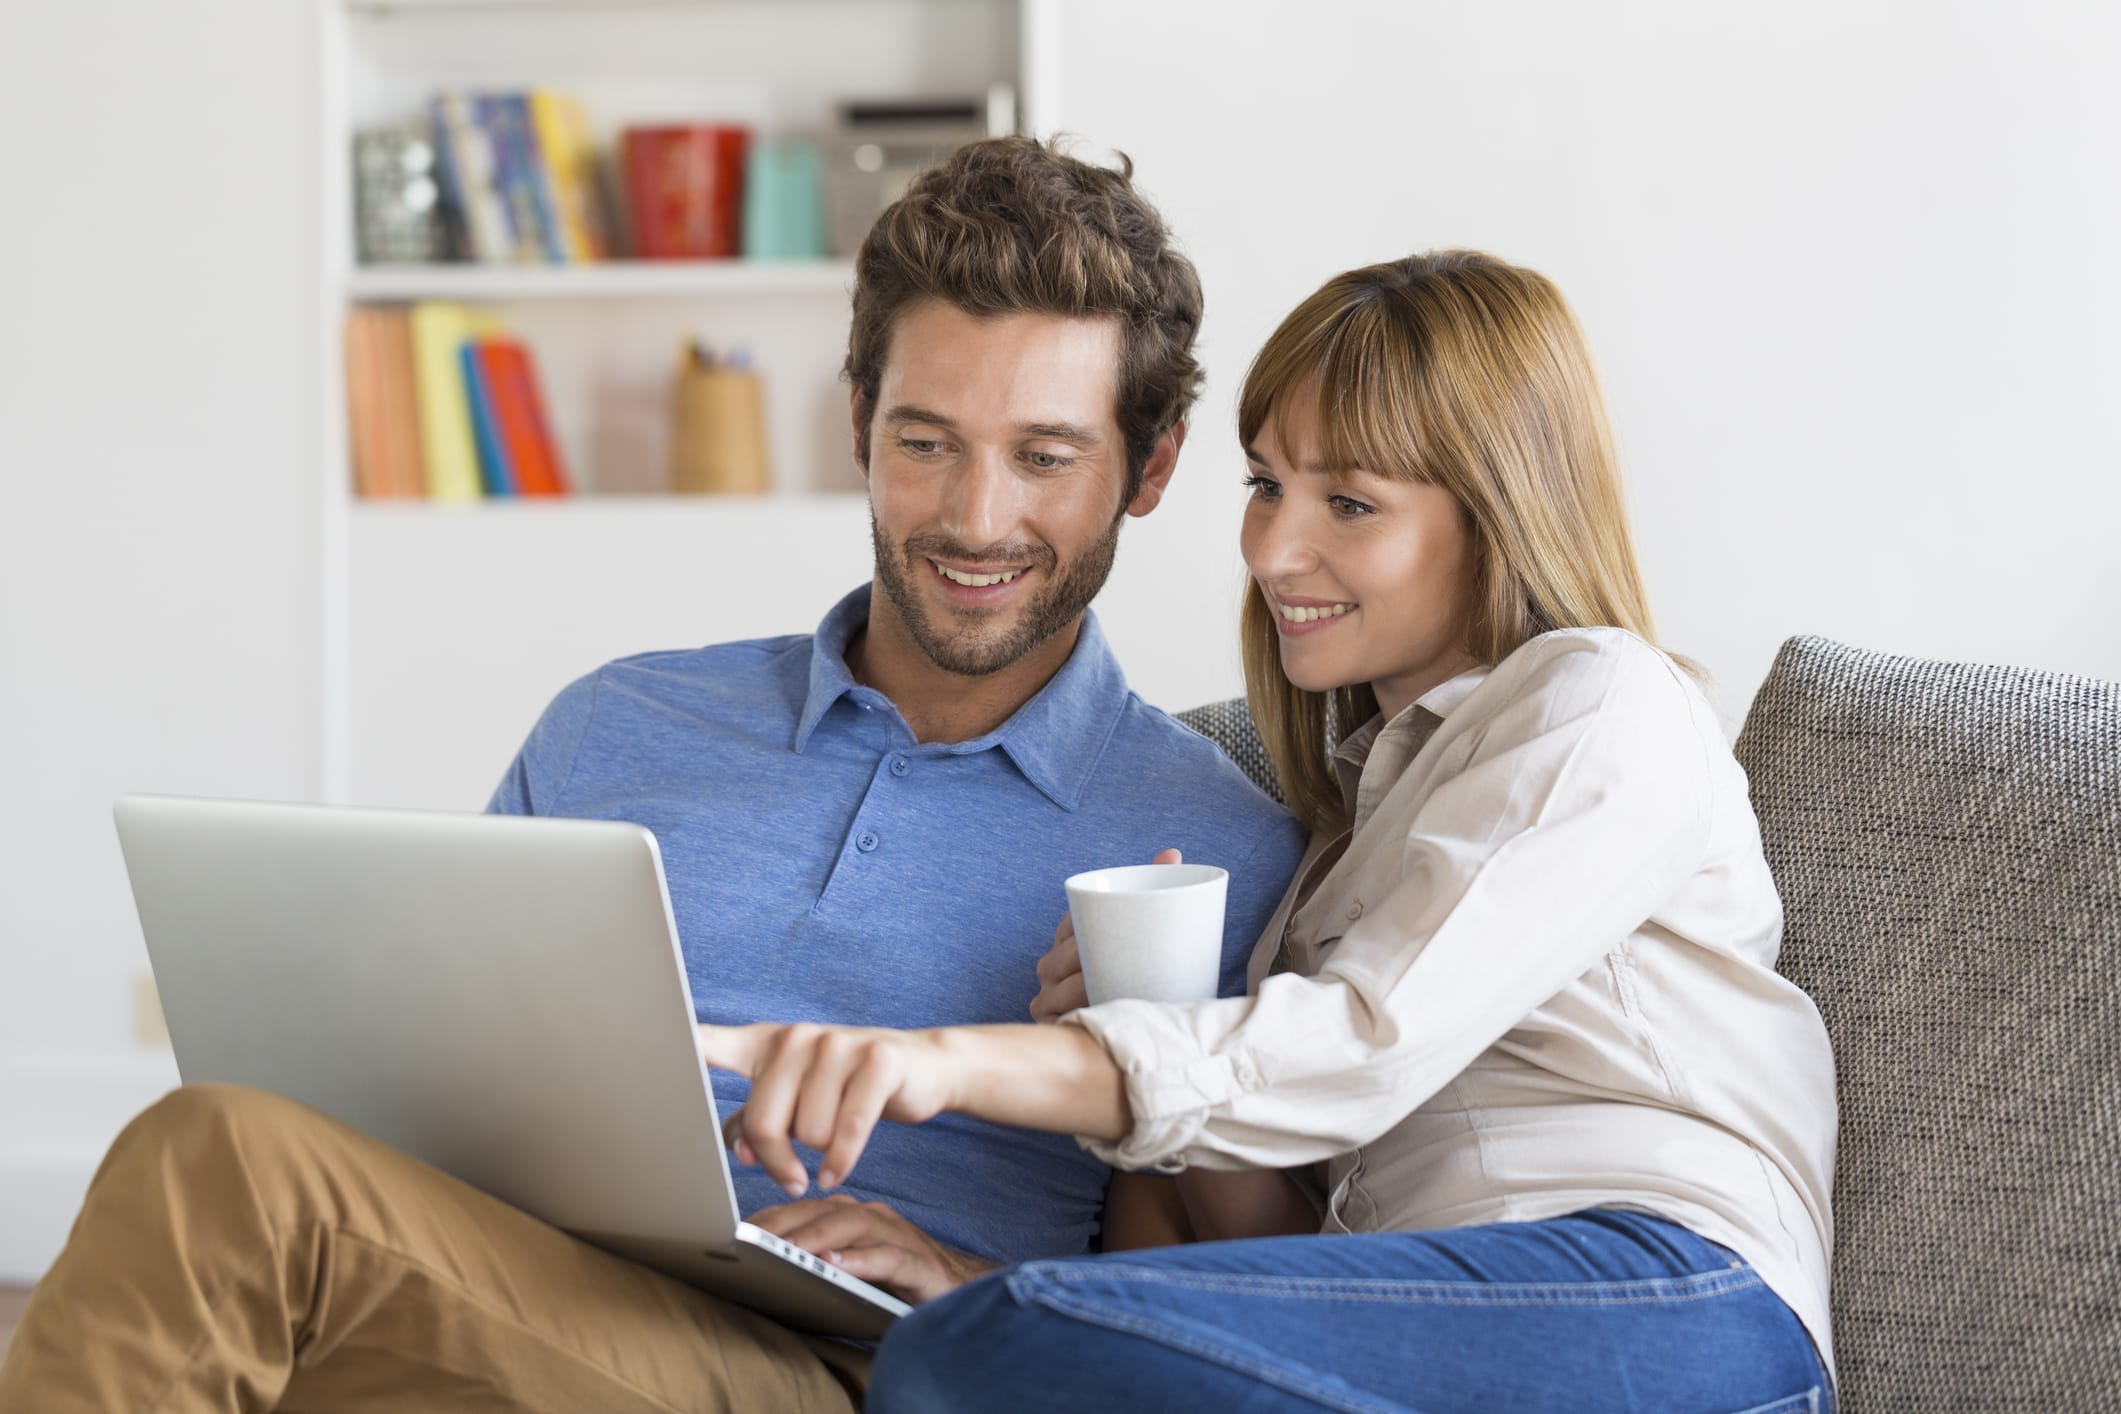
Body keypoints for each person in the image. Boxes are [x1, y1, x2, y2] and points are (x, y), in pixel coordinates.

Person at [0, 137, 1308, 1414]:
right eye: (925, 442)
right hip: (510, 1290)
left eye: (1043, 456)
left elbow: (1239, 1313)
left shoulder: (1215, 843)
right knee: (248, 1251)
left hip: (854, 1361)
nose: (974, 517)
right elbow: (438, 1078)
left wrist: (974, 1285)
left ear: (1149, 466)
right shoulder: (618, 723)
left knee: (222, 1159)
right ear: (856, 418)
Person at [696, 250, 1842, 1413]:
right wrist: (975, 1267)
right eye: (1265, 485)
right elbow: (1226, 1263)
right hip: (1418, 1316)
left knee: (985, 1351)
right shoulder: (1338, 857)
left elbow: (1361, 1043)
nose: (1272, 549)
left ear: (1496, 512)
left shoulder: (1602, 702)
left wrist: (932, 1062)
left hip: (1670, 1299)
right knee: (978, 1339)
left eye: (1348, 501)